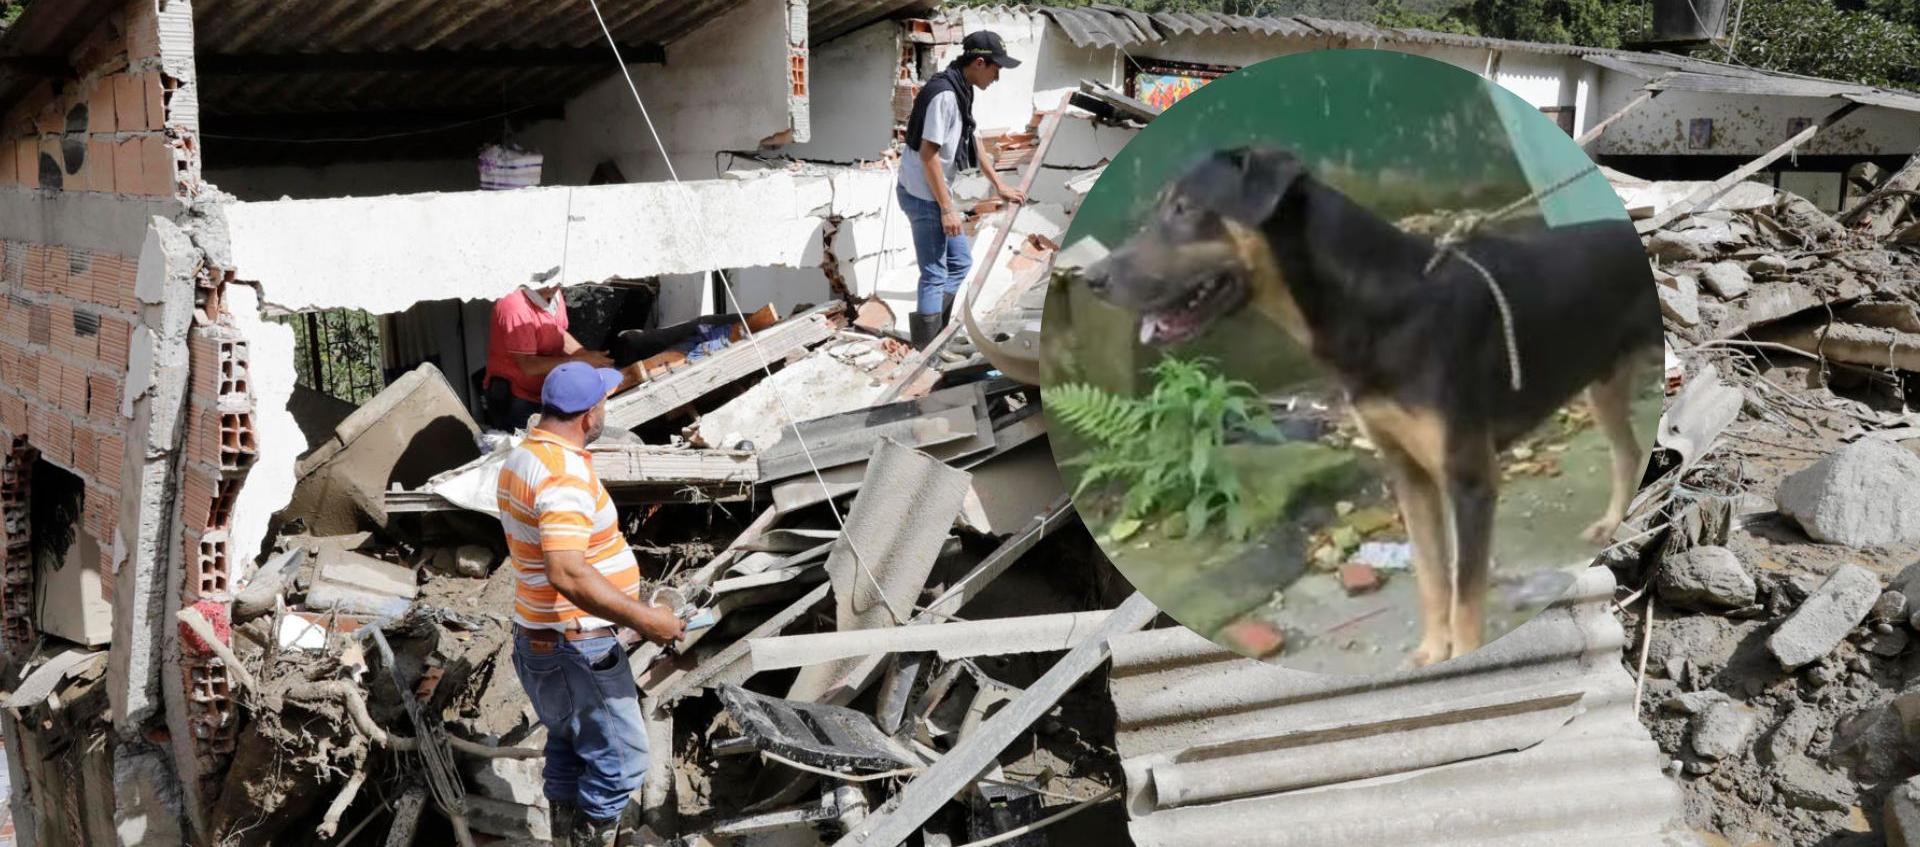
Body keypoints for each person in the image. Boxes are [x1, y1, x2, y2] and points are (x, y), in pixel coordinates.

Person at [496, 362, 686, 846]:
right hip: (575, 645)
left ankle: (563, 837)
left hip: (538, 639)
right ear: (589, 415)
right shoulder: (562, 477)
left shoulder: (524, 456)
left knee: (568, 743)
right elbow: (567, 572)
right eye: (603, 401)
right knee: (624, 764)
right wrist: (650, 621)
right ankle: (589, 839)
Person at [897, 30, 1027, 349]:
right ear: (980, 63)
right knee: (934, 274)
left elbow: (976, 143)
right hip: (922, 195)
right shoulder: (944, 94)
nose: (997, 77)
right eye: (996, 69)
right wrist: (946, 209)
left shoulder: (961, 89)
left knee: (960, 263)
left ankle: (936, 340)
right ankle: (926, 353)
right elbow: (928, 154)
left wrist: (999, 185)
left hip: (934, 191)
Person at [484, 283, 614, 431]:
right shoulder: (514, 305)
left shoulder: (554, 293)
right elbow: (528, 366)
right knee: (519, 445)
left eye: (557, 281)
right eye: (545, 280)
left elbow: (557, 331)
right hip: (516, 397)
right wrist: (581, 361)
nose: (553, 286)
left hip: (542, 393)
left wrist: (584, 355)